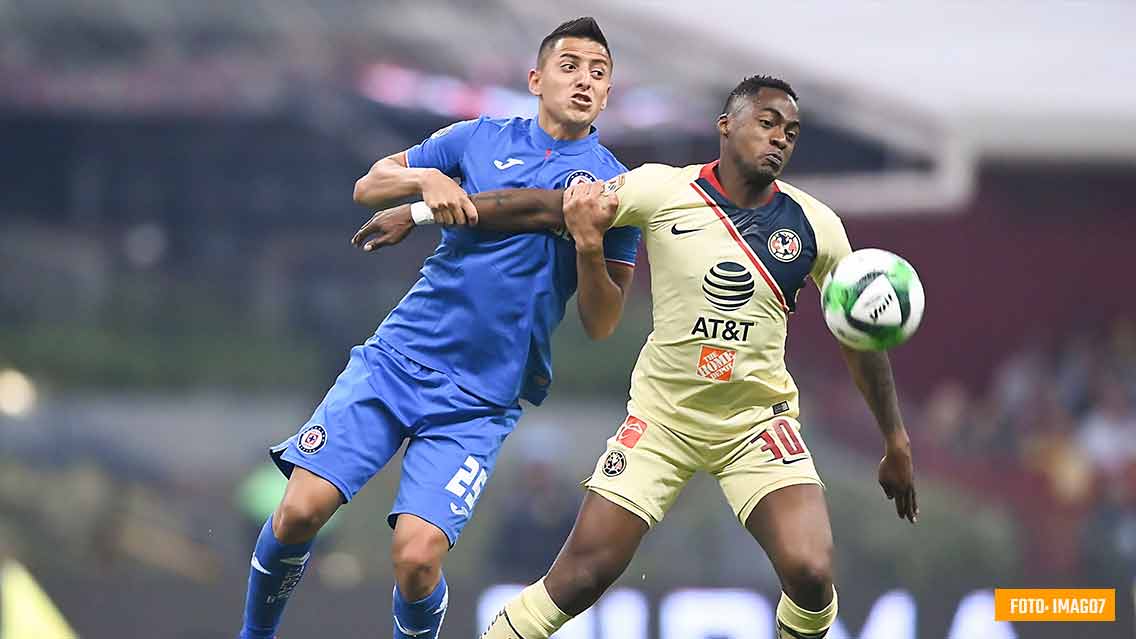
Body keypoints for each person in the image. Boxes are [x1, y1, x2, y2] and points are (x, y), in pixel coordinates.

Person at [355, 75, 919, 639]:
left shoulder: (817, 225)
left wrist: (894, 439)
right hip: (662, 420)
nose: (779, 140)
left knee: (812, 572)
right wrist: (420, 214)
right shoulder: (660, 189)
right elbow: (542, 207)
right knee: (579, 578)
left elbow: (859, 337)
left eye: (790, 133)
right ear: (726, 127)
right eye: (767, 123)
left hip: (756, 423)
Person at [238, 17, 641, 639]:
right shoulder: (476, 138)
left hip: (481, 398)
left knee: (417, 560)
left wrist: (588, 246)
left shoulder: (617, 189)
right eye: (570, 66)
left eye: (598, 72)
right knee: (297, 513)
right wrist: (426, 180)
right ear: (536, 79)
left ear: (609, 93)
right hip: (397, 359)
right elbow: (369, 183)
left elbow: (603, 321)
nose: (584, 80)